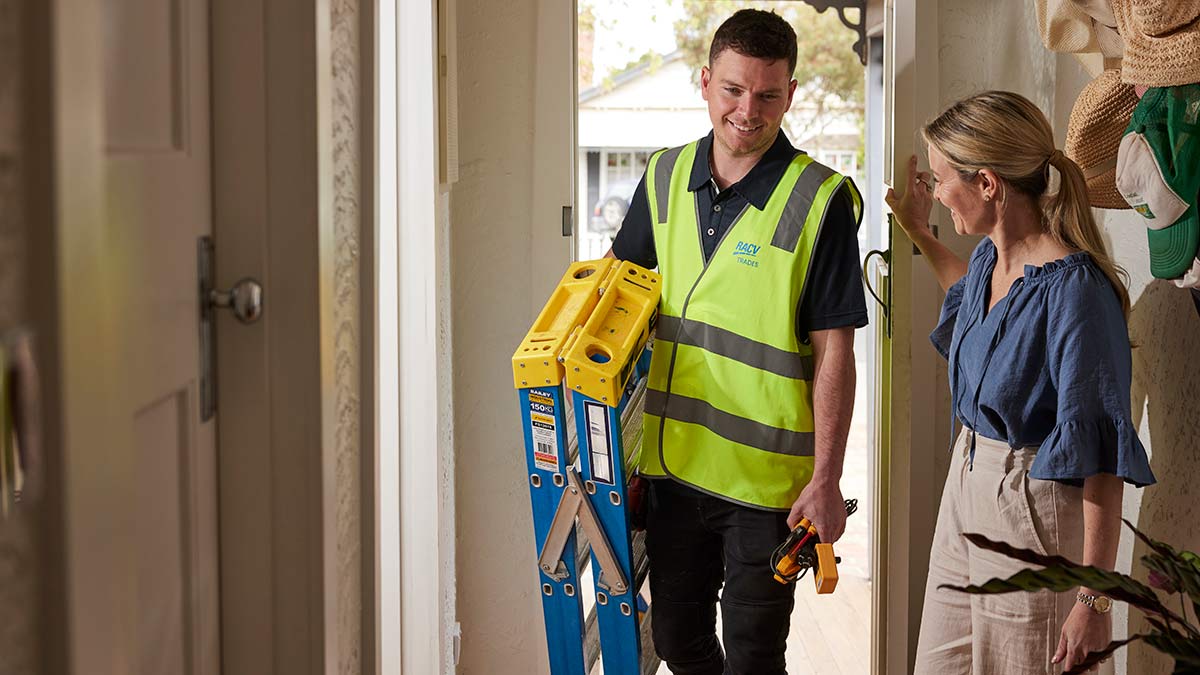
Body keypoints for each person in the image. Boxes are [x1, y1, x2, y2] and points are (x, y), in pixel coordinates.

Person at [605, 9, 866, 674]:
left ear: (791, 94)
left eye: (767, 94)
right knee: (676, 640)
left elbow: (835, 349)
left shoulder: (820, 199)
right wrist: (617, 448)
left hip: (765, 487)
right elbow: (618, 307)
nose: (748, 111)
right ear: (704, 82)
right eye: (733, 90)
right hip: (673, 470)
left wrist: (827, 478)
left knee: (754, 655)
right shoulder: (663, 177)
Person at [886, 91, 1156, 674]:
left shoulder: (1076, 292)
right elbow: (975, 307)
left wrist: (1093, 597)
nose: (934, 192)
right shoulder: (989, 259)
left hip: (1032, 509)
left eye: (940, 179)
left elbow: (1102, 459)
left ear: (987, 183)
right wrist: (920, 233)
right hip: (965, 485)